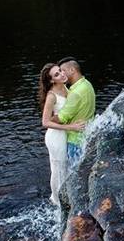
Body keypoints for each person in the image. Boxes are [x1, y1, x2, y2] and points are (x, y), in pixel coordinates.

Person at [38, 63, 85, 205]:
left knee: (65, 167)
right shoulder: (51, 96)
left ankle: (65, 197)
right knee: (58, 168)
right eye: (57, 74)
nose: (62, 74)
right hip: (55, 136)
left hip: (64, 133)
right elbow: (45, 122)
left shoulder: (65, 87)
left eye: (60, 70)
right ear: (52, 80)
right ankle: (57, 201)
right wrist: (72, 127)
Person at [54, 57, 96, 164]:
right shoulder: (87, 84)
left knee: (73, 174)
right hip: (86, 136)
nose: (62, 74)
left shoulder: (75, 93)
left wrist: (49, 118)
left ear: (72, 70)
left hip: (74, 140)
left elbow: (61, 118)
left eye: (63, 71)